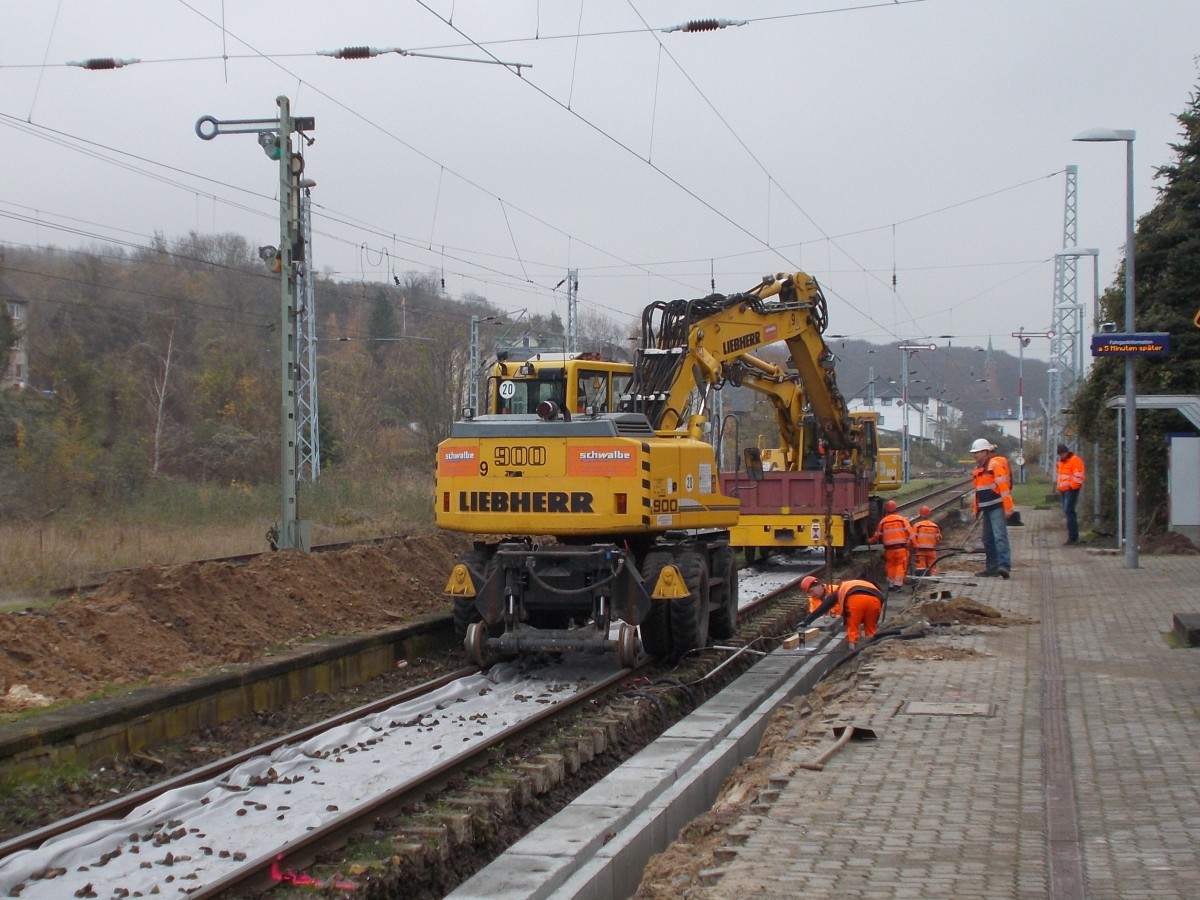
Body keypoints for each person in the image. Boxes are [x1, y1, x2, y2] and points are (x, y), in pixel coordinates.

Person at [801, 575, 885, 649]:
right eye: (809, 593)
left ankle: (852, 652)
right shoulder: (847, 586)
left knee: (852, 630)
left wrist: (807, 621)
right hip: (875, 599)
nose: (812, 594)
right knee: (870, 628)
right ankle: (871, 649)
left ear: (819, 585)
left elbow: (825, 606)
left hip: (855, 600)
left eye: (812, 591)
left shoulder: (837, 590)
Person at [970, 438, 1013, 578]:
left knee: (1000, 536)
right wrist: (975, 510)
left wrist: (1008, 508)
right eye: (974, 453)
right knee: (987, 539)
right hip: (986, 507)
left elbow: (1003, 487)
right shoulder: (979, 469)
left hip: (996, 506)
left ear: (986, 452)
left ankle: (1004, 566)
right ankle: (992, 568)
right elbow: (977, 492)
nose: (975, 455)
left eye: (977, 452)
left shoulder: (994, 465)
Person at [868, 499, 915, 590]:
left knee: (890, 565)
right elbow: (911, 533)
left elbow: (877, 535)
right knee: (900, 565)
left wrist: (870, 541)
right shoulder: (902, 520)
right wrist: (915, 544)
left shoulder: (883, 521)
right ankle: (897, 584)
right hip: (901, 549)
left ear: (886, 510)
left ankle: (891, 583)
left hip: (889, 550)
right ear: (895, 509)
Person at [1056, 443, 1086, 545]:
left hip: (1071, 490)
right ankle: (1072, 536)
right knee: (1068, 512)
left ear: (1066, 452)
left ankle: (1073, 537)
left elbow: (1078, 475)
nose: (1061, 456)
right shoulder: (1061, 462)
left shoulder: (1075, 460)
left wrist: (1072, 486)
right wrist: (1060, 487)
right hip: (1064, 490)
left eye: (1062, 454)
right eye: (1060, 455)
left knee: (1069, 511)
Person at [912, 506, 943, 576]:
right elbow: (939, 538)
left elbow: (913, 537)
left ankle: (920, 578)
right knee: (932, 564)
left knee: (920, 566)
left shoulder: (917, 525)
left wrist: (915, 545)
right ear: (929, 514)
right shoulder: (935, 526)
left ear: (920, 514)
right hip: (931, 550)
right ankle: (933, 576)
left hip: (920, 550)